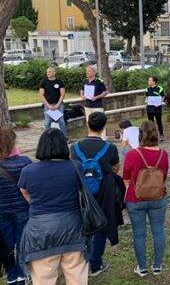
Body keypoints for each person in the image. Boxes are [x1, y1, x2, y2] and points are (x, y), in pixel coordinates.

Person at [18, 128, 88, 285]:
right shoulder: (76, 167)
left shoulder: (28, 171)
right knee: (76, 274)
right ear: (64, 146)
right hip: (73, 226)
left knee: (44, 278)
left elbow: (25, 192)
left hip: (40, 230)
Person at [70, 112, 121, 277]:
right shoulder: (110, 147)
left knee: (83, 224)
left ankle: (82, 261)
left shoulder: (75, 148)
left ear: (88, 125)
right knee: (101, 225)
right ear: (104, 127)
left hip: (81, 191)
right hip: (104, 190)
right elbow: (115, 168)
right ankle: (95, 263)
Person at [123, 121, 169, 277]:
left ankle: (142, 267)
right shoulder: (164, 154)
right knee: (158, 231)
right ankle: (157, 266)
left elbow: (127, 180)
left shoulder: (132, 154)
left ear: (140, 135)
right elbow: (164, 176)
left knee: (139, 234)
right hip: (158, 197)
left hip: (135, 199)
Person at [0, 128, 32, 284]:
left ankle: (12, 275)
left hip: (2, 211)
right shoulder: (24, 162)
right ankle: (22, 273)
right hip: (22, 208)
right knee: (21, 242)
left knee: (6, 244)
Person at [80, 66, 109, 138]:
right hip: (87, 105)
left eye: (89, 71)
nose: (87, 72)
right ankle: (91, 136)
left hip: (97, 105)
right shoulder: (85, 81)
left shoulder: (99, 81)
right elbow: (81, 90)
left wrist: (96, 97)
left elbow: (105, 92)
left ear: (93, 72)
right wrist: (82, 96)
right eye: (86, 71)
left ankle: (103, 138)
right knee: (88, 121)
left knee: (100, 121)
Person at [39, 66, 67, 137]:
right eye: (47, 72)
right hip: (48, 105)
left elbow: (62, 94)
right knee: (47, 122)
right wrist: (48, 105)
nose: (48, 73)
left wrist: (57, 105)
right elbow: (41, 95)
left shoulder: (59, 82)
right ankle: (46, 138)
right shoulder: (44, 82)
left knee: (61, 121)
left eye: (50, 72)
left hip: (58, 105)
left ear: (54, 73)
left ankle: (64, 137)